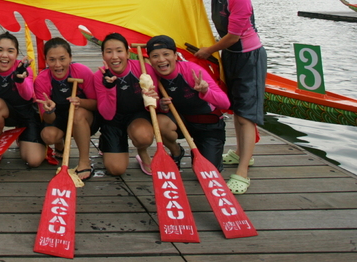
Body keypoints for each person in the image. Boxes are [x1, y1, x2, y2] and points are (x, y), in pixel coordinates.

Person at [193, 0, 267, 194]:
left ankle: (243, 171)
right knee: (236, 109)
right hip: (231, 56)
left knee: (246, 115)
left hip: (249, 57)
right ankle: (239, 153)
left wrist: (207, 50)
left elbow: (233, 36)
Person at [145, 34, 230, 172]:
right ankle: (176, 152)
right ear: (150, 59)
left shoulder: (192, 71)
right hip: (182, 122)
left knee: (207, 172)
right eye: (155, 56)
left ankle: (202, 151)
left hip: (208, 125)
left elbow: (225, 104)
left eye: (166, 54)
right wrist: (161, 105)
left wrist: (206, 91)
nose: (161, 60)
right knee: (160, 122)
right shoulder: (151, 77)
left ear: (175, 55)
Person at [93, 32, 161, 176]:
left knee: (143, 137)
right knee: (116, 170)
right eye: (109, 52)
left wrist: (155, 99)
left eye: (119, 51)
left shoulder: (143, 69)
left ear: (128, 53)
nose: (114, 56)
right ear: (103, 55)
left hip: (137, 116)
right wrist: (110, 88)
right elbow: (107, 114)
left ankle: (142, 152)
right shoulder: (99, 76)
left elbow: (155, 104)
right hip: (113, 120)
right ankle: (105, 141)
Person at [0, 32, 46, 167]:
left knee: (34, 160)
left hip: (28, 114)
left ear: (17, 54)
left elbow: (28, 96)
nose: (4, 55)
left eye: (10, 51)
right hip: (6, 112)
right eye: (0, 50)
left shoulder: (23, 69)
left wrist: (20, 81)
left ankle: (23, 136)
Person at [34, 37, 98, 181]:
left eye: (62, 59)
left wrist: (81, 102)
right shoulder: (42, 80)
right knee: (48, 136)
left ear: (70, 58)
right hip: (58, 118)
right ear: (46, 60)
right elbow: (48, 119)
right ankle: (59, 144)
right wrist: (49, 110)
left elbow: (96, 104)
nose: (58, 65)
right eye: (52, 60)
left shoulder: (82, 72)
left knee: (78, 114)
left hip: (83, 117)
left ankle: (84, 161)